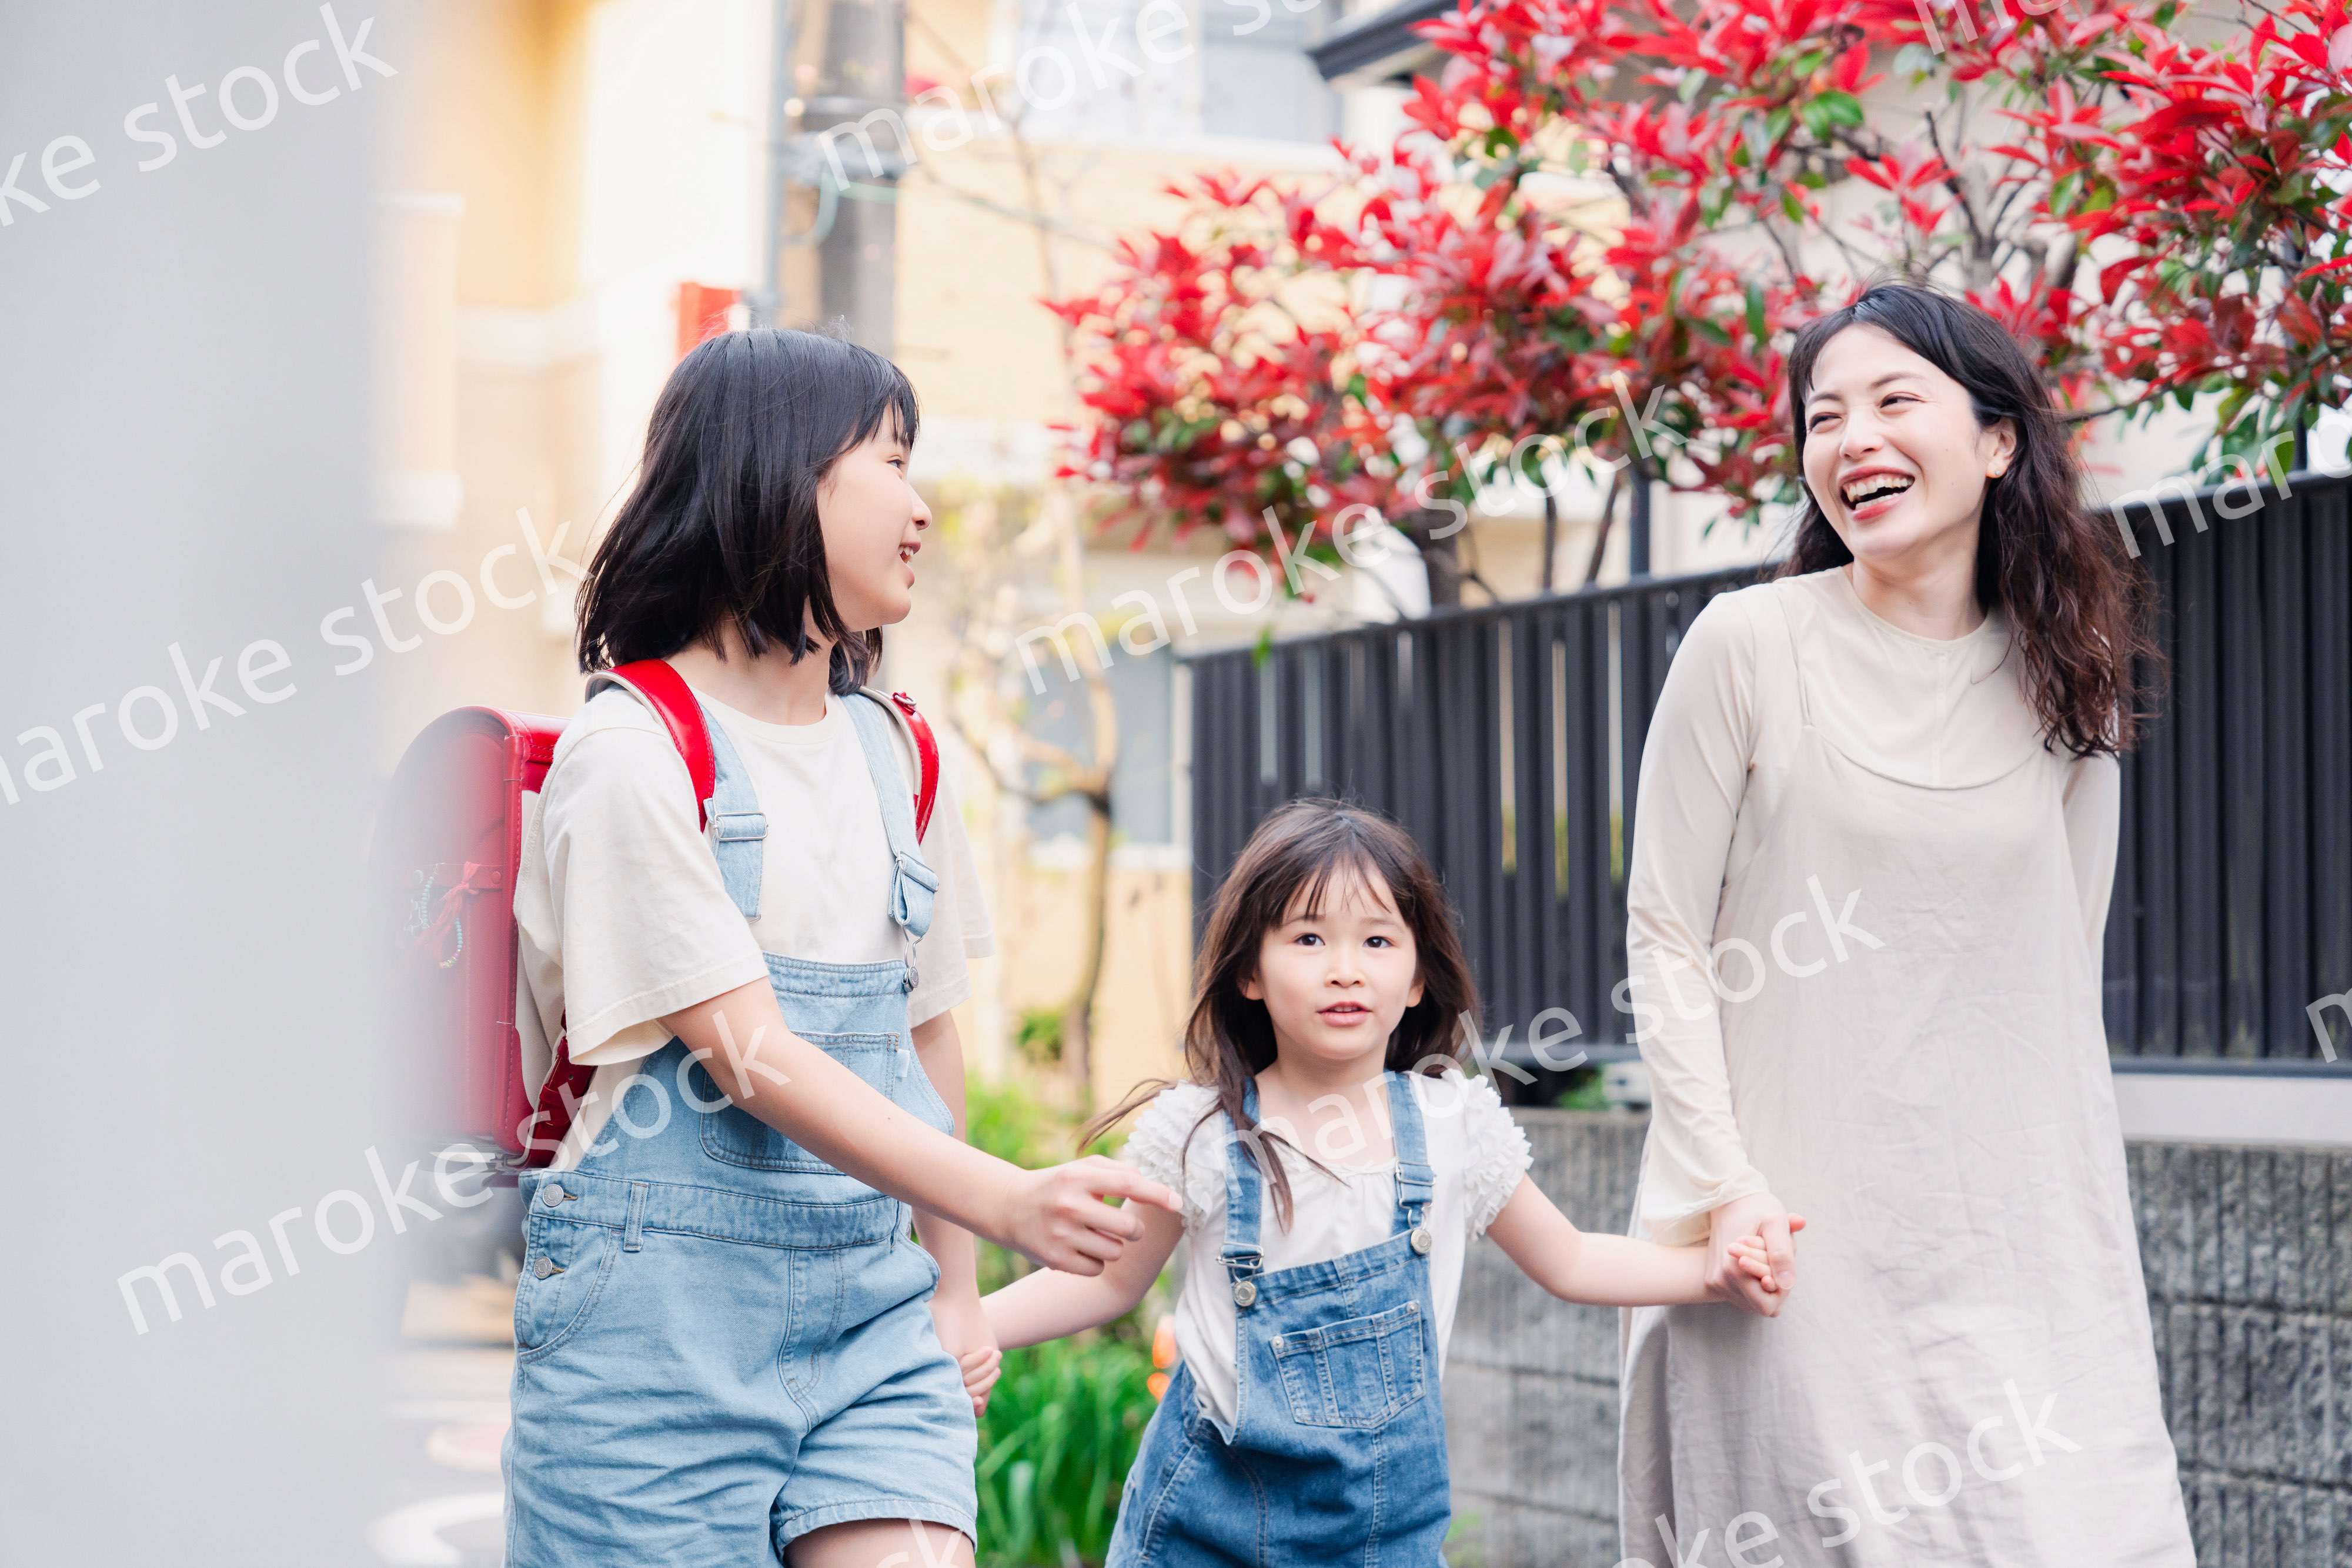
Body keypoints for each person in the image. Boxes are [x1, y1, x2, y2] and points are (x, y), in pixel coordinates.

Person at [500, 327, 1179, 1568]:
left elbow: (926, 1032)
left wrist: (956, 1286)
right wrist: (1005, 1197)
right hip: (653, 1338)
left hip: (874, 1318)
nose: (922, 510)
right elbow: (749, 1053)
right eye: (893, 463)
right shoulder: (632, 750)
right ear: (778, 472)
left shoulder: (899, 753)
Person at [1617, 280, 2194, 1565]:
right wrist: (1725, 1185)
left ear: (1996, 442)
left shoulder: (2070, 675)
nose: (1852, 440)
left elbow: (2057, 962)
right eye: (1823, 417)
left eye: (1892, 400)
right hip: (1789, 1241)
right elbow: (1664, 937)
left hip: (2017, 1239)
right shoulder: (1746, 645)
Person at [977, 800, 1793, 1566]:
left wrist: (1710, 1273)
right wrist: (965, 1329)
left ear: (1416, 979)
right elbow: (1109, 1282)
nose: (1345, 971)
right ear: (1249, 973)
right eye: (1308, 939)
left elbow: (1572, 1260)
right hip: (1205, 1530)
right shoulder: (1202, 1132)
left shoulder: (1451, 1122)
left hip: (1382, 1539)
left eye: (1376, 941)